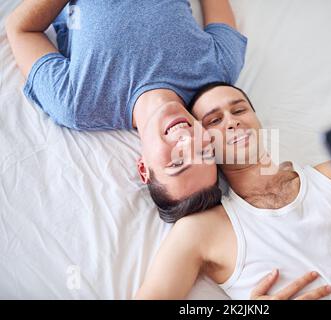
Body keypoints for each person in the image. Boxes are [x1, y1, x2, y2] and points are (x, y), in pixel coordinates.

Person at [135, 66, 331, 300]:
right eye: (214, 121)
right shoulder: (203, 229)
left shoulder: (329, 178)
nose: (232, 121)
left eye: (239, 109)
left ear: (258, 121)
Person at [5, 0, 247, 218]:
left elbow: (21, 29)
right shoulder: (218, 69)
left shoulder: (78, 103)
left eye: (176, 163)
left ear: (143, 168)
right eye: (204, 153)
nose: (186, 141)